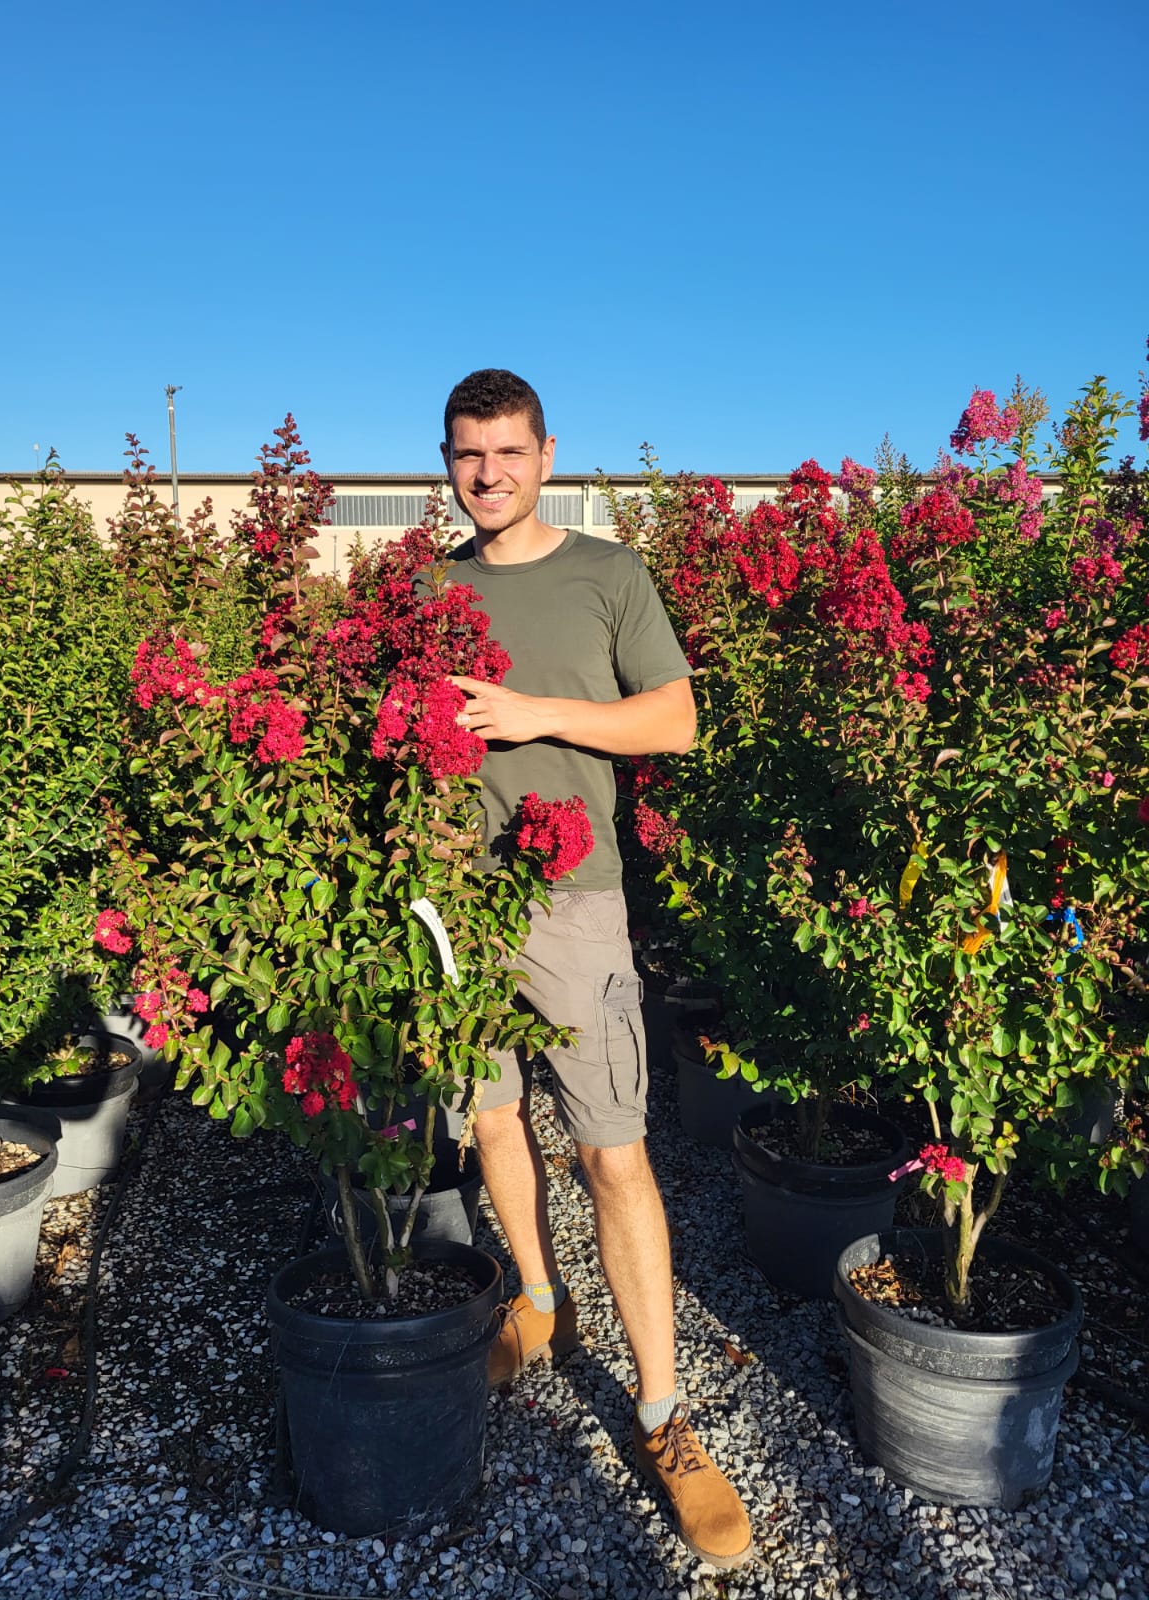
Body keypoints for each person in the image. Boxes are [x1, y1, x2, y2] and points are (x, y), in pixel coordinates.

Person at [440, 369, 753, 1571]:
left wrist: (536, 715)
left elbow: (673, 719)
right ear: (449, 461)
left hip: (572, 903)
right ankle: (535, 1295)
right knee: (494, 1112)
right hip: (453, 900)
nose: (489, 474)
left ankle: (666, 1411)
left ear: (547, 453)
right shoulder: (430, 587)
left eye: (508, 452)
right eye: (469, 455)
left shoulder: (608, 575)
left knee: (614, 1151)